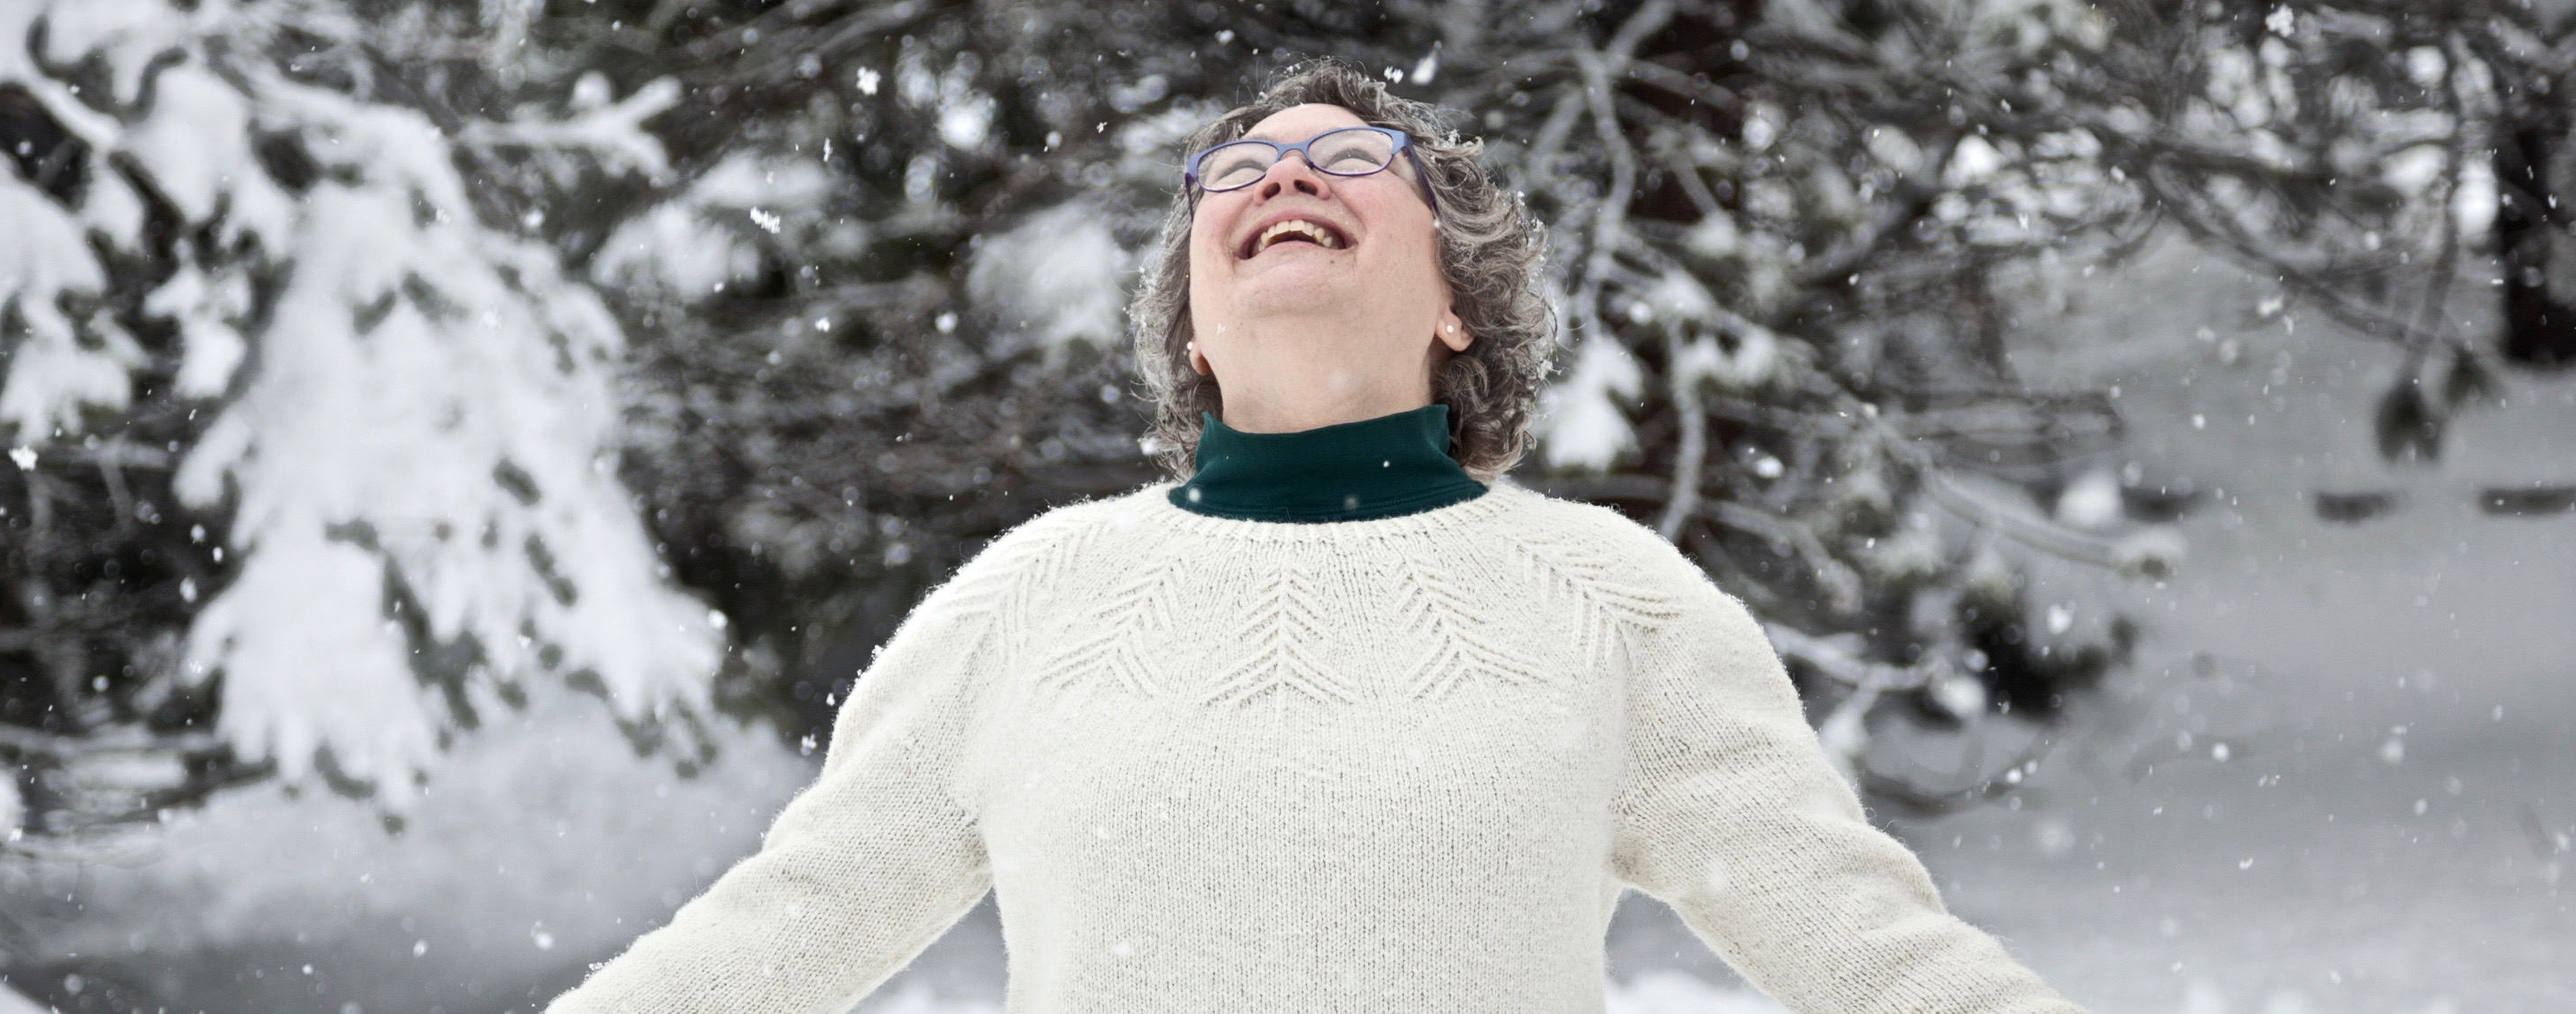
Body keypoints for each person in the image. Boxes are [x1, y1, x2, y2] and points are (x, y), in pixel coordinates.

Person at [542, 58, 2094, 1014]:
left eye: (1353, 164)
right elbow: (771, 940)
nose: (1286, 171)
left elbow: (1884, 962)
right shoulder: (1026, 606)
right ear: (1195, 336)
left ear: (1452, 302)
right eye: (1241, 173)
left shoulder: (1613, 607)